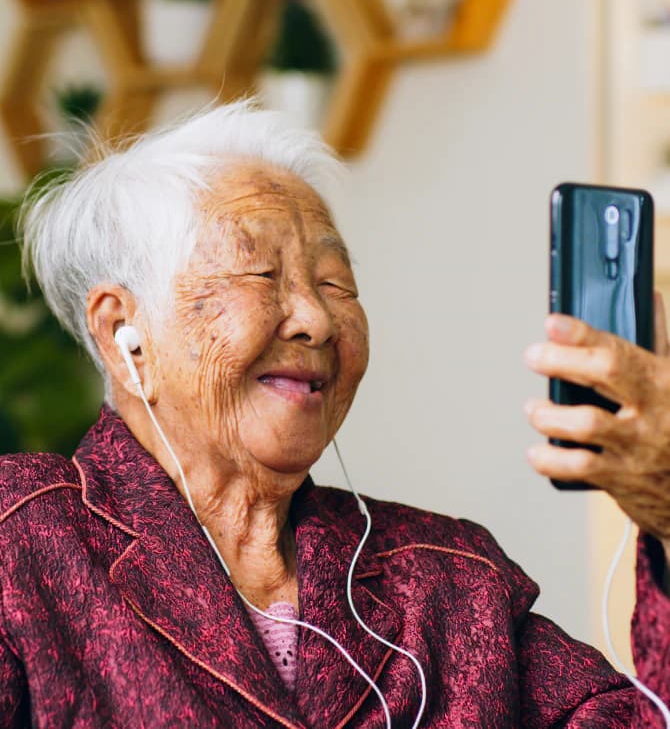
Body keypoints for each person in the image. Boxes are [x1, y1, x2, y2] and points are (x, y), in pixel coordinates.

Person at [0, 101, 668, 728]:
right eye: (260, 273)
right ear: (125, 334)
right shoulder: (22, 542)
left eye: (335, 284)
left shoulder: (451, 582)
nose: (317, 320)